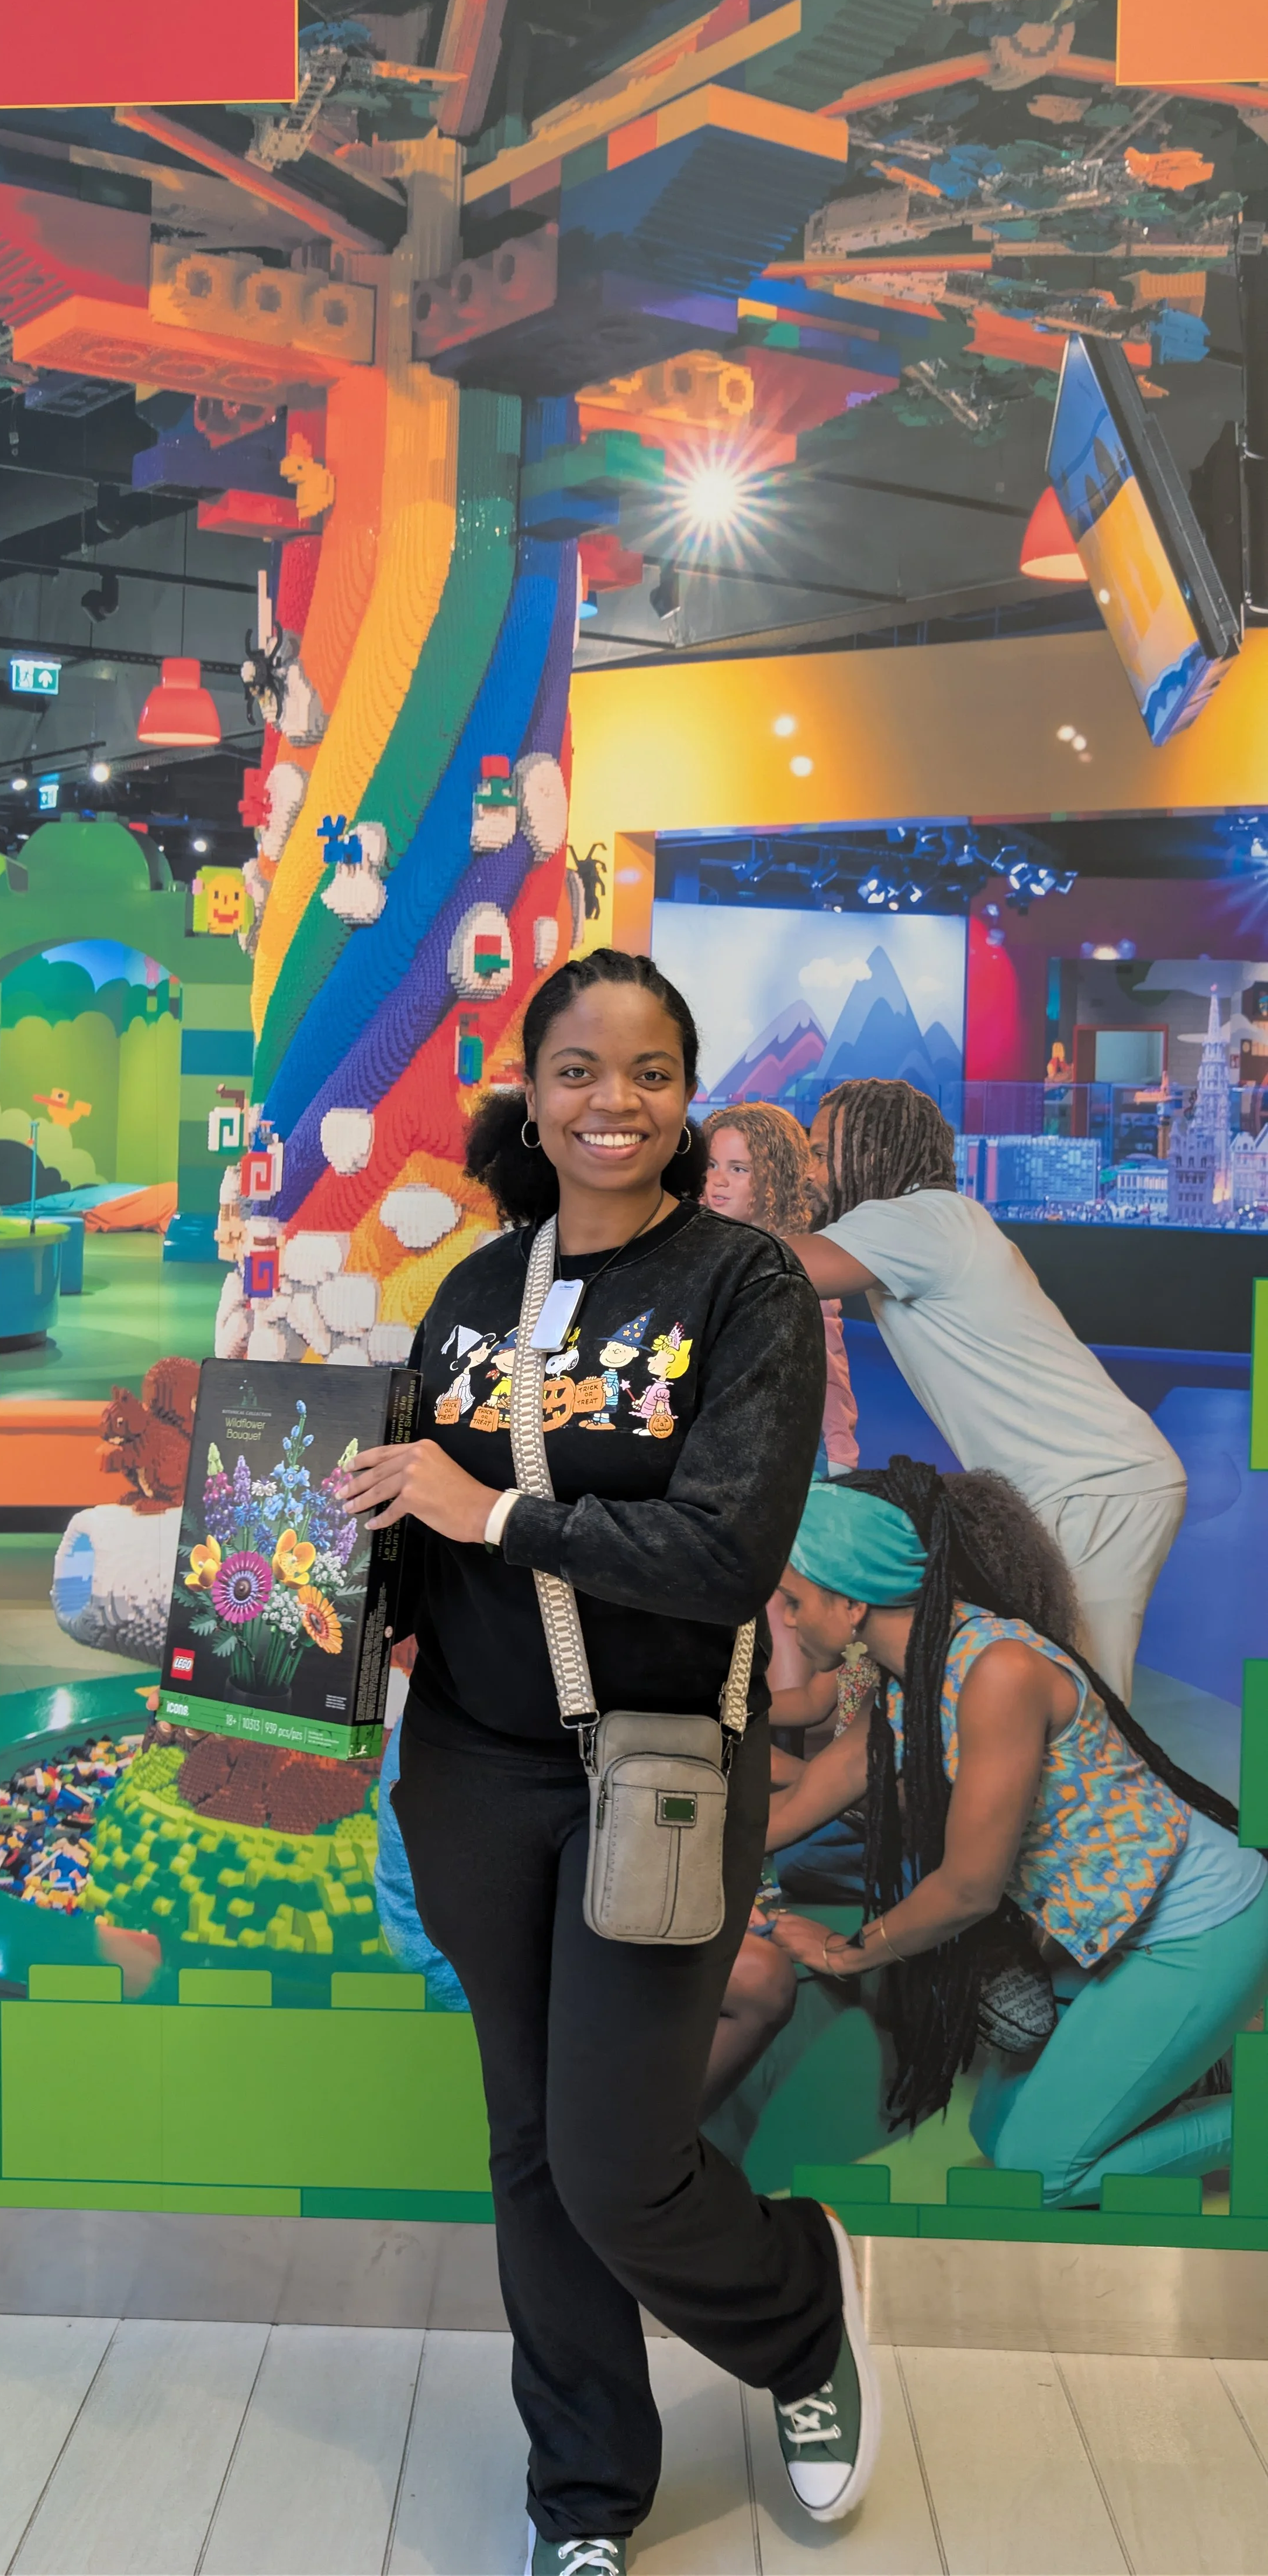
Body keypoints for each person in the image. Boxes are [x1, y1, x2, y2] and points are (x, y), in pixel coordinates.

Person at [343, 947, 879, 2570]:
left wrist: (494, 1508)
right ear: (532, 1085)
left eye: (648, 1072)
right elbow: (407, 1544)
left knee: (614, 2162)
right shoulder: (472, 1294)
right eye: (578, 1069)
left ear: (685, 1094)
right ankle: (583, 2497)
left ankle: (796, 2309)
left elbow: (721, 1555)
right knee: (527, 2145)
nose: (612, 1103)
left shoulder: (743, 1286)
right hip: (470, 1773)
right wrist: (266, 1578)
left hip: (655, 1772)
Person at [760, 1460, 1268, 2207]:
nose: (788, 1616)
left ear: (850, 1601)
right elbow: (804, 1799)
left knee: (1044, 2175)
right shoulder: (911, 1676)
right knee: (1001, 2140)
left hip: (1196, 1928)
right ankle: (1171, 2079)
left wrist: (843, 1953)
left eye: (794, 1598)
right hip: (1113, 1931)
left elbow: (968, 1888)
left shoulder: (996, 1669)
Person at [786, 1078, 1186, 1703]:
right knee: (1043, 1681)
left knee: (1079, 1696)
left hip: (1095, 1483)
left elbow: (773, 1268)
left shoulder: (915, 1220)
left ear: (869, 1150)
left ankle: (1105, 1803)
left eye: (819, 1151)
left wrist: (656, 1231)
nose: (809, 1171)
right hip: (1076, 1485)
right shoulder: (933, 1220)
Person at [704, 1101, 859, 1477]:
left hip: (775, 1453)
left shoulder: (800, 1264)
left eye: (739, 1169)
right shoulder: (694, 1250)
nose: (719, 1180)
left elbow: (828, 1366)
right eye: (711, 1166)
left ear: (775, 1178)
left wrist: (840, 1455)